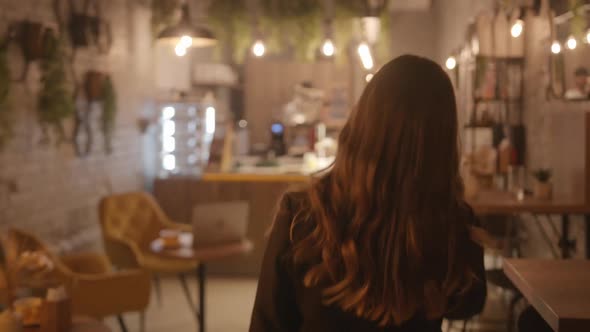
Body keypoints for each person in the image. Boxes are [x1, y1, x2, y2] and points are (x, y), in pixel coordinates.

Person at [249, 55, 487, 332]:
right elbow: (471, 302)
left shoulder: (301, 213)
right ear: (441, 140)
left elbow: (267, 323)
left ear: (361, 122)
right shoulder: (452, 220)